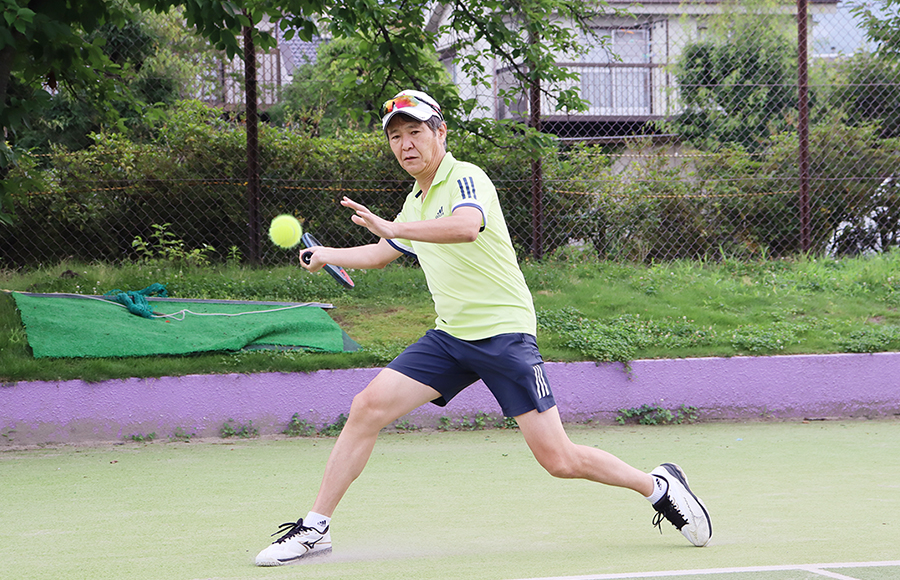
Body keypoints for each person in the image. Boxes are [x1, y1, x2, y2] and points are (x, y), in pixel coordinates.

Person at [254, 90, 712, 566]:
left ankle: (657, 486)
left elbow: (465, 226)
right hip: (450, 338)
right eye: (396, 137)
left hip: (504, 335)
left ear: (440, 132)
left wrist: (393, 227)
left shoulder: (466, 178)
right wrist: (328, 254)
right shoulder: (414, 201)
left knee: (559, 460)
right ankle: (315, 528)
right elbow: (382, 253)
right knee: (366, 407)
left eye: (415, 132)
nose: (405, 144)